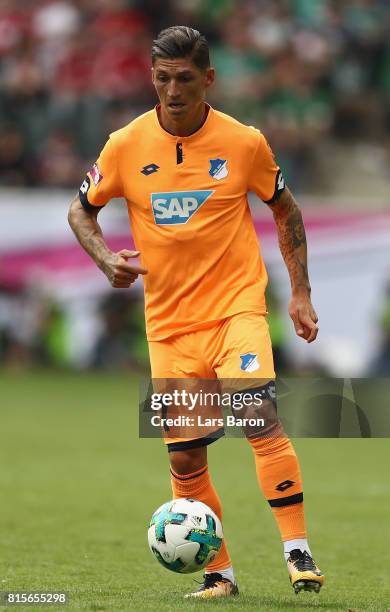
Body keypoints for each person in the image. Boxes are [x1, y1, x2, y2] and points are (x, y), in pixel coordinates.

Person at [68, 26, 324, 599]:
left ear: (209, 79)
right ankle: (220, 574)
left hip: (236, 309)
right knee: (185, 458)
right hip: (168, 325)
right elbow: (80, 211)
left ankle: (297, 550)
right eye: (162, 79)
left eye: (185, 79)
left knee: (257, 416)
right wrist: (106, 257)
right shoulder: (124, 145)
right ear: (151, 78)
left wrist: (301, 293)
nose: (173, 90)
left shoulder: (244, 142)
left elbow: (287, 212)